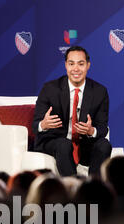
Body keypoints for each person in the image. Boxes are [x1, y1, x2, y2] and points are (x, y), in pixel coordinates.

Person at [32, 46, 112, 176]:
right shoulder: (50, 89)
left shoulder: (99, 91)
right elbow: (35, 126)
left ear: (88, 65)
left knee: (104, 145)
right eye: (71, 63)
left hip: (84, 144)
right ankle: (73, 190)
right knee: (64, 144)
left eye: (81, 64)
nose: (76, 69)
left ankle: (94, 188)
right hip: (55, 142)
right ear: (65, 65)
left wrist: (91, 130)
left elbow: (103, 128)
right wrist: (44, 124)